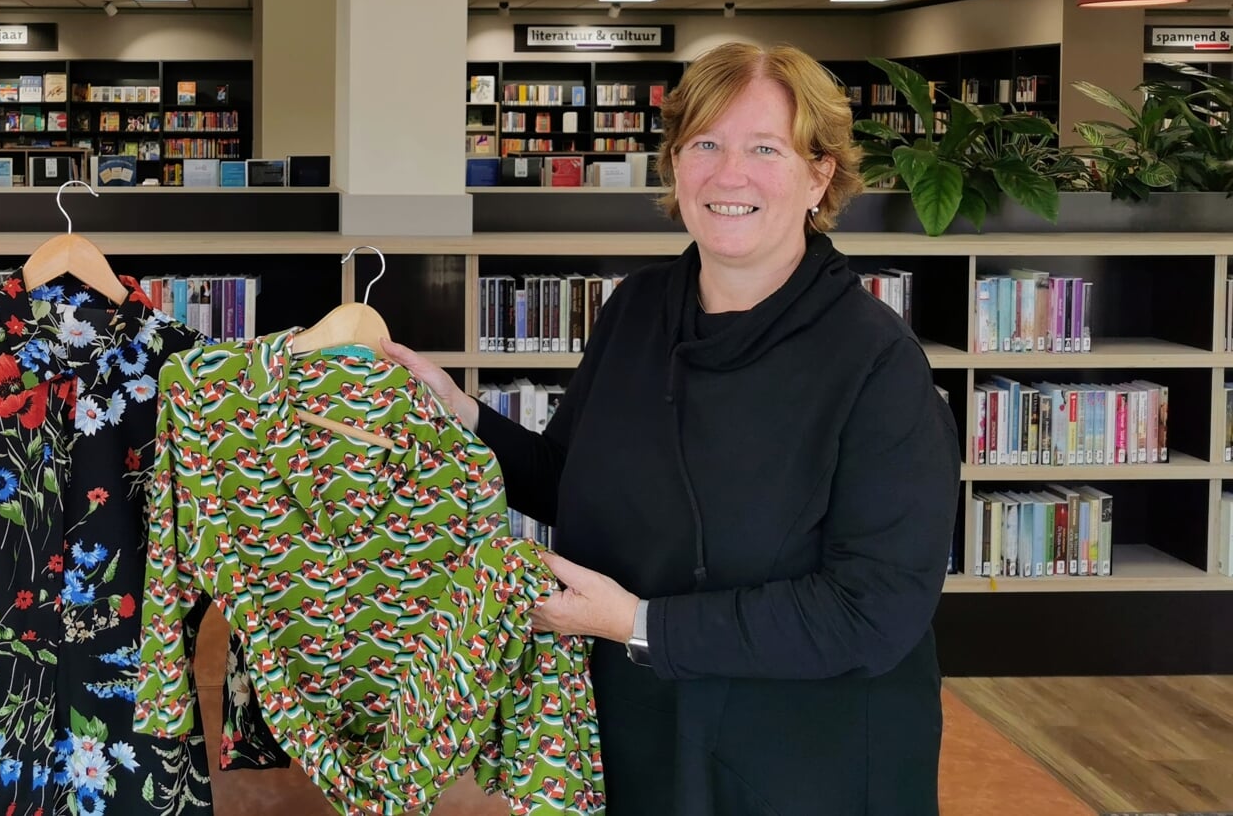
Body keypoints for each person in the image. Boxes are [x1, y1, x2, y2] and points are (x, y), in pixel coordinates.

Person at [388, 42, 959, 816]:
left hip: (803, 753)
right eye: (705, 146)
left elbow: (873, 610)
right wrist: (458, 413)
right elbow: (577, 482)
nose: (730, 175)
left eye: (764, 148)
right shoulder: (635, 308)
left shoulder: (875, 362)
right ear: (675, 164)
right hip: (648, 721)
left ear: (820, 173)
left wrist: (638, 623)